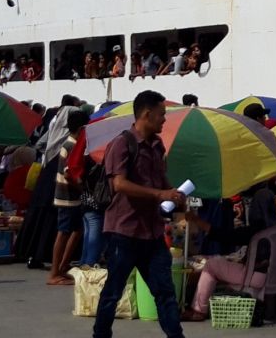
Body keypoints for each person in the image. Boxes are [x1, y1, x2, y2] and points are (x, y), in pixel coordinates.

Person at [92, 90, 189, 338]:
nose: (164, 120)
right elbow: (119, 184)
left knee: (165, 292)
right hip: (123, 231)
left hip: (151, 232)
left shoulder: (157, 146)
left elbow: (161, 183)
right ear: (147, 114)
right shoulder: (122, 144)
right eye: (161, 115)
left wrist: (175, 196)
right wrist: (160, 195)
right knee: (113, 291)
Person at [48, 108, 89, 285]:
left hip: (68, 195)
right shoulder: (72, 145)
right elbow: (69, 174)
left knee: (76, 229)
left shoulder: (69, 143)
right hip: (67, 196)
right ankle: (55, 272)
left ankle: (62, 267)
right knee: (64, 232)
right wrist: (82, 188)